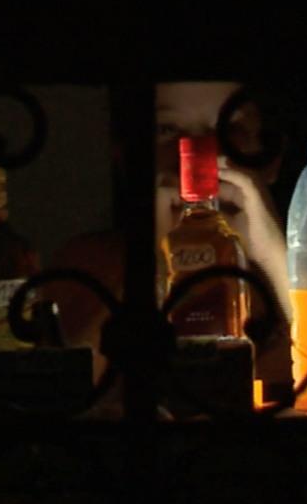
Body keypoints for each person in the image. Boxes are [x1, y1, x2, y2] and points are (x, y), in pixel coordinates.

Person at [50, 81, 293, 397]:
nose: (197, 150)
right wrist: (151, 263)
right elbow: (67, 398)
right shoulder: (90, 263)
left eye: (231, 128)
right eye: (167, 128)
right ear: (126, 156)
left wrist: (274, 257)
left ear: (270, 156)